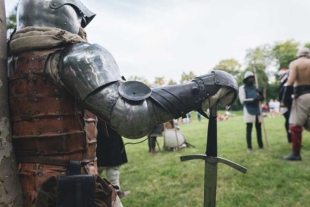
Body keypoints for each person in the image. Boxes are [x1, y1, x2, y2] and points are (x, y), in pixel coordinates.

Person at [8, 0, 238, 206]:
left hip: (27, 187)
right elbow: (131, 118)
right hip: (72, 189)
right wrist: (204, 86)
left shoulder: (13, 64)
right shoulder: (78, 56)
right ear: (64, 11)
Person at [281, 47, 310, 161]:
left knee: (295, 125)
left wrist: (284, 99)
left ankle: (296, 153)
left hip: (301, 96)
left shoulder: (295, 63)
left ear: (298, 55)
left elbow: (290, 81)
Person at [96, 121, 131, 199]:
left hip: (104, 139)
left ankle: (114, 192)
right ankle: (114, 193)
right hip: (103, 140)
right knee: (99, 172)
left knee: (103, 171)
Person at [239, 71, 264, 152]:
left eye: (252, 78)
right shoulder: (242, 88)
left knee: (259, 128)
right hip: (248, 109)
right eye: (249, 78)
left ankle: (261, 145)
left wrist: (261, 93)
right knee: (249, 128)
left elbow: (261, 98)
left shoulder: (256, 88)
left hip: (257, 109)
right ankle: (249, 147)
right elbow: (243, 100)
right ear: (246, 79)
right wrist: (254, 99)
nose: (251, 79)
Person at [278, 68, 292, 143]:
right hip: (285, 104)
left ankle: (291, 138)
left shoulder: (286, 81)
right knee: (289, 121)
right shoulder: (283, 83)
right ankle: (290, 138)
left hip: (289, 103)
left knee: (291, 121)